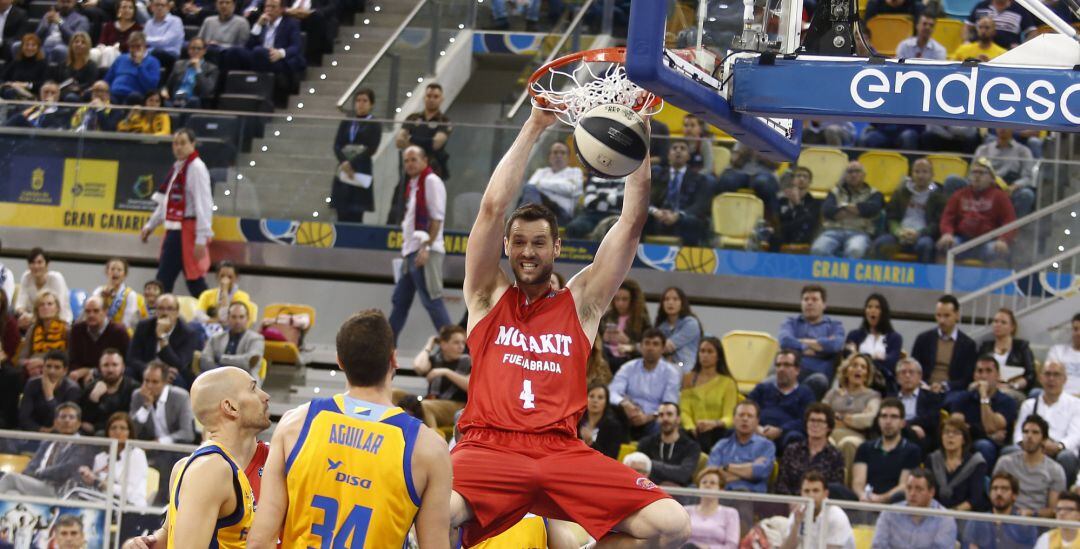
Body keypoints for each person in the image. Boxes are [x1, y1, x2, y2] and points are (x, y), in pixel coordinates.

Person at [448, 108, 690, 546]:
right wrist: (536, 124)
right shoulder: (487, 296)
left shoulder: (582, 304)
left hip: (560, 451)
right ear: (506, 245)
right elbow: (490, 209)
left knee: (671, 523)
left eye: (539, 243)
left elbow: (631, 223)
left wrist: (640, 136)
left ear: (556, 247)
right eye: (518, 242)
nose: (527, 252)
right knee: (426, 506)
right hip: (489, 449)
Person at [248, 310, 451, 548]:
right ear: (393, 360)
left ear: (340, 361)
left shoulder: (296, 423)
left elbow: (261, 540)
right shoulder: (428, 447)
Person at [133, 366, 270, 546]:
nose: (265, 396)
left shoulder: (271, 459)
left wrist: (149, 543)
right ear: (230, 407)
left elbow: (169, 533)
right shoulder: (211, 469)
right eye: (253, 388)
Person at [387, 145, 452, 342]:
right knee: (400, 301)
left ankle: (455, 351)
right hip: (411, 252)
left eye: (414, 159)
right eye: (406, 160)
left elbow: (437, 218)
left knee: (432, 300)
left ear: (425, 160)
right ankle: (386, 348)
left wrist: (426, 247)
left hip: (425, 252)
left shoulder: (431, 181)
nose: (409, 164)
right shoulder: (413, 184)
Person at [141, 129, 213, 296]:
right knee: (166, 279)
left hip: (188, 231)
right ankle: (159, 313)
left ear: (192, 144)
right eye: (176, 143)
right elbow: (167, 201)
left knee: (193, 279)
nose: (179, 147)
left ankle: (212, 314)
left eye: (183, 143)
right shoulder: (179, 167)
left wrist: (202, 238)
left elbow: (204, 204)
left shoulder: (196, 168)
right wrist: (151, 225)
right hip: (174, 230)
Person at [0, 402, 95, 497]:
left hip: (60, 490)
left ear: (78, 423)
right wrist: (29, 474)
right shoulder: (48, 442)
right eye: (63, 417)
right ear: (55, 422)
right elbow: (32, 465)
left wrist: (40, 473)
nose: (67, 420)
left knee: (10, 478)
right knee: (12, 493)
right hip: (38, 485)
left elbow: (67, 469)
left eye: (71, 417)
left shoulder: (84, 445)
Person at [1011, 361, 1080, 486]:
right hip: (1032, 448)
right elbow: (1018, 436)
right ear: (1041, 378)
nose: (1051, 379)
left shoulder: (1076, 404)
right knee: (1010, 451)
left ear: (1065, 379)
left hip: (1059, 451)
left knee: (1067, 457)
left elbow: (1075, 436)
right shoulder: (1029, 405)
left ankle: (1062, 498)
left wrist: (1058, 446)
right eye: (1047, 374)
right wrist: (1031, 444)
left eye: (1056, 375)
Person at [938, 157, 1017, 264]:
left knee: (997, 251)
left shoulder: (1000, 196)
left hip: (988, 241)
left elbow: (1010, 221)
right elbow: (947, 217)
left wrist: (1003, 240)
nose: (977, 176)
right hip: (963, 239)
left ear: (991, 178)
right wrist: (947, 233)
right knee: (944, 245)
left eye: (982, 173)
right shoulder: (959, 194)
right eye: (974, 172)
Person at [946, 354, 1018, 467]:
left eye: (989, 371)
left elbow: (990, 426)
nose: (983, 376)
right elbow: (957, 427)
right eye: (979, 371)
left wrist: (983, 396)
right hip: (967, 444)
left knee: (985, 446)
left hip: (997, 447)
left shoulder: (1007, 402)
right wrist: (986, 434)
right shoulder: (962, 398)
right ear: (974, 376)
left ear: (998, 376)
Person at [609, 328, 682, 437]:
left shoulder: (671, 372)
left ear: (662, 348)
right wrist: (624, 404)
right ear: (641, 347)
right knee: (610, 419)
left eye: (655, 344)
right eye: (647, 343)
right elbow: (612, 392)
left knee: (662, 423)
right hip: (628, 413)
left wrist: (647, 417)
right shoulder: (628, 367)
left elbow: (669, 404)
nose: (650, 348)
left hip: (654, 417)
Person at [872, 158, 947, 264]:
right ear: (911, 174)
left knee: (925, 245)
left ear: (932, 175)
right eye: (917, 171)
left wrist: (919, 233)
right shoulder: (901, 191)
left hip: (923, 236)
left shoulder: (937, 194)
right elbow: (891, 217)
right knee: (881, 243)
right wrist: (898, 232)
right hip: (900, 235)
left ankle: (922, 279)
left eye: (925, 172)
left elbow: (937, 223)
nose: (920, 176)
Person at [852, 398, 923, 503]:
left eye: (894, 417)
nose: (888, 422)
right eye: (884, 416)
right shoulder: (865, 448)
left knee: (901, 495)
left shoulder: (912, 450)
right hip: (865, 500)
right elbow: (858, 481)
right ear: (878, 420)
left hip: (894, 503)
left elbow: (904, 485)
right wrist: (862, 495)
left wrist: (881, 498)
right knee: (836, 489)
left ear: (902, 423)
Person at [778, 284, 843, 398]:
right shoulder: (791, 322)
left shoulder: (834, 326)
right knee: (767, 383)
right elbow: (785, 341)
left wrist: (799, 343)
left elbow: (835, 345)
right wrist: (813, 346)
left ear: (824, 305)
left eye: (814, 299)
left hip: (817, 376)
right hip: (791, 373)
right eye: (806, 299)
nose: (809, 303)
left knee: (819, 381)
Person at [994, 414, 1066, 517]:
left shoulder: (1055, 470)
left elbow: (1054, 510)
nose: (1029, 436)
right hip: (1007, 519)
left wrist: (1031, 513)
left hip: (1038, 523)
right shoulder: (1005, 463)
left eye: (1035, 432)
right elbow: (996, 496)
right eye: (1025, 432)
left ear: (1044, 439)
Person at [646, 140, 715, 246]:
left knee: (692, 222)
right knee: (641, 217)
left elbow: (700, 205)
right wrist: (655, 211)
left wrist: (678, 215)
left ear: (688, 156)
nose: (678, 151)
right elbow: (645, 199)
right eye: (674, 148)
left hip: (683, 218)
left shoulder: (699, 179)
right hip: (658, 216)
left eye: (682, 148)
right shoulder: (657, 175)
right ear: (668, 155)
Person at [810, 161, 885, 259]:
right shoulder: (835, 191)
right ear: (845, 175)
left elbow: (873, 209)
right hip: (833, 230)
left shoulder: (874, 193)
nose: (853, 175)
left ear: (864, 175)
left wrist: (843, 208)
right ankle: (835, 272)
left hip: (859, 232)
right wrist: (857, 211)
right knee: (818, 250)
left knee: (855, 250)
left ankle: (843, 273)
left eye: (857, 171)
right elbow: (827, 210)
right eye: (850, 172)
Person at [823, 354, 882, 473]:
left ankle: (845, 489)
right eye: (854, 365)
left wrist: (840, 417)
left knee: (847, 444)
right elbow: (822, 414)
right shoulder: (833, 393)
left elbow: (868, 420)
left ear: (867, 375)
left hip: (856, 436)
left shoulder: (872, 395)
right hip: (830, 433)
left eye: (863, 367)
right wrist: (854, 419)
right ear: (846, 371)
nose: (858, 369)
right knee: (824, 442)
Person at [910, 294, 979, 394]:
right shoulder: (923, 339)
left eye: (946, 316)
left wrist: (945, 386)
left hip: (952, 392)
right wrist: (924, 385)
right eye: (939, 315)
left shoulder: (968, 345)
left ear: (957, 315)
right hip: (924, 388)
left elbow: (967, 378)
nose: (942, 320)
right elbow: (914, 368)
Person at [330, 88, 381, 223]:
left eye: (365, 101)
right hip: (344, 168)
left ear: (371, 104)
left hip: (360, 168)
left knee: (356, 213)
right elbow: (337, 144)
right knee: (341, 210)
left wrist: (351, 162)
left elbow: (371, 148)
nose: (361, 104)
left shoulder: (374, 124)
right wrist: (344, 162)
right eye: (358, 100)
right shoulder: (347, 122)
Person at [871, 470, 958, 548]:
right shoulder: (889, 513)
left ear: (931, 492)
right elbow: (878, 545)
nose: (912, 493)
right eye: (909, 488)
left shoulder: (945, 519)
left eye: (919, 489)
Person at [749, 350, 817, 450]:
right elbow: (746, 409)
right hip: (757, 431)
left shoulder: (805, 393)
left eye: (786, 365)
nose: (781, 369)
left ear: (797, 370)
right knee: (732, 431)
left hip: (785, 435)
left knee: (795, 437)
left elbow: (805, 420)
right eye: (778, 365)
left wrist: (780, 430)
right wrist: (756, 427)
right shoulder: (761, 389)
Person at [681, 337, 739, 451]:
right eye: (702, 351)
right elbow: (684, 410)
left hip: (717, 431)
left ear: (718, 357)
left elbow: (729, 416)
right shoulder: (688, 379)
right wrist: (691, 427)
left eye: (710, 351)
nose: (705, 355)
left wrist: (713, 424)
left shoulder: (728, 383)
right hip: (693, 431)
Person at [775, 403, 846, 496]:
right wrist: (792, 502)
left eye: (820, 421)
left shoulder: (835, 455)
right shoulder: (792, 450)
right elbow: (781, 484)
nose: (815, 425)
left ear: (828, 427)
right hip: (791, 504)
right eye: (812, 420)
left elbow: (835, 489)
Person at [127, 294, 200, 385]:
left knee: (177, 378)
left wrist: (162, 337)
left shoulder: (188, 333)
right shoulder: (144, 326)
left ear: (177, 313)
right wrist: (151, 371)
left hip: (173, 372)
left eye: (170, 309)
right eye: (161, 308)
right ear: (156, 311)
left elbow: (180, 364)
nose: (165, 313)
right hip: (147, 369)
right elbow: (132, 357)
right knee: (128, 373)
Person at [78, 412, 149, 506]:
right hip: (103, 504)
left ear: (129, 433)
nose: (117, 432)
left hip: (131, 506)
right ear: (107, 432)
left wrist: (102, 484)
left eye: (123, 428)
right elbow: (95, 488)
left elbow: (130, 492)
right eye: (113, 428)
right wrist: (89, 479)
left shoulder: (137, 454)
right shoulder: (100, 458)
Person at [706, 400, 776, 493]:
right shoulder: (721, 445)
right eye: (741, 415)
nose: (745, 419)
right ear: (734, 419)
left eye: (750, 416)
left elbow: (760, 473)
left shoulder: (767, 446)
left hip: (754, 498)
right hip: (724, 496)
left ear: (757, 421)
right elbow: (712, 476)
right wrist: (750, 469)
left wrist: (726, 468)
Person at [411, 324, 471, 430]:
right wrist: (429, 345)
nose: (461, 347)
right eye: (456, 342)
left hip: (456, 406)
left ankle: (433, 440)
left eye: (463, 343)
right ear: (443, 345)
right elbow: (418, 366)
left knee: (424, 406)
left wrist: (446, 372)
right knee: (397, 394)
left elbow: (470, 385)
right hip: (432, 401)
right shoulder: (436, 360)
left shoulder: (468, 362)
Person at [926, 416, 990, 511]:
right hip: (935, 514)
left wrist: (952, 513)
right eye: (946, 432)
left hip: (965, 516)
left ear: (964, 439)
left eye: (956, 433)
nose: (950, 436)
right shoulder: (932, 459)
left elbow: (975, 499)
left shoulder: (976, 463)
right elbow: (927, 492)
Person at [962, 471, 1040, 548]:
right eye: (995, 488)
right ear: (989, 494)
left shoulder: (1025, 525)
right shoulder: (977, 522)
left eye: (1004, 489)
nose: (998, 493)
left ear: (1014, 495)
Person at [780, 471, 855, 549]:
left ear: (825, 494)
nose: (811, 495)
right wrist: (796, 524)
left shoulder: (837, 516)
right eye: (806, 491)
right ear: (801, 494)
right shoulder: (798, 513)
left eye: (815, 491)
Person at [971, 129, 1037, 217]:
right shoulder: (983, 149)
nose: (1003, 128)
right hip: (984, 187)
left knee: (1026, 194)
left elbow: (1028, 177)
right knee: (953, 180)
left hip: (1009, 189)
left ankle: (1012, 228)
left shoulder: (1024, 151)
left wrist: (1013, 187)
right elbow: (972, 172)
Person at [844, 294, 903, 392]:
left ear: (884, 312)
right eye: (869, 307)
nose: (872, 310)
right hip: (856, 383)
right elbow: (848, 359)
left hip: (882, 385)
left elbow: (891, 363)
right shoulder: (854, 335)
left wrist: (859, 355)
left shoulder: (895, 338)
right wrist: (876, 358)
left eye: (877, 307)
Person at [129, 361, 196, 443]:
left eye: (155, 382)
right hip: (148, 450)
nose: (149, 386)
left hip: (175, 449)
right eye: (146, 381)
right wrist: (145, 407)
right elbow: (132, 432)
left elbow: (187, 433)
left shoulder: (180, 397)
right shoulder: (138, 396)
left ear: (165, 382)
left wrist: (160, 442)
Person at [68, 296, 131, 384]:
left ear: (105, 311)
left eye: (96, 311)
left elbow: (127, 363)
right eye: (87, 311)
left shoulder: (119, 332)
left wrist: (92, 372)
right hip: (81, 379)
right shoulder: (77, 330)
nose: (91, 315)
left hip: (112, 379)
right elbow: (72, 361)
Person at [636, 402, 701, 487]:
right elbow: (640, 472)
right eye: (661, 415)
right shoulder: (645, 443)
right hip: (652, 489)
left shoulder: (691, 446)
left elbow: (683, 475)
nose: (665, 418)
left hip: (681, 491)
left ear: (678, 419)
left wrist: (651, 464)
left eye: (669, 414)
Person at [395, 82, 451, 180]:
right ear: (424, 97)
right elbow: (399, 141)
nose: (431, 99)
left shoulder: (444, 121)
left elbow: (435, 144)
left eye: (436, 96)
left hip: (433, 167)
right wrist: (425, 144)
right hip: (411, 167)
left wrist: (410, 138)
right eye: (429, 96)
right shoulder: (412, 117)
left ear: (441, 99)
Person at [519, 141, 584, 225]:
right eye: (555, 152)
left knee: (530, 191)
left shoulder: (575, 172)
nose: (558, 156)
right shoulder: (541, 172)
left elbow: (573, 190)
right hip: (541, 207)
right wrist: (562, 185)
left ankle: (529, 220)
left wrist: (541, 184)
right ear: (549, 157)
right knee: (529, 189)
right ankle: (532, 218)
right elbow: (530, 189)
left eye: (563, 153)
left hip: (560, 214)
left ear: (568, 158)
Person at [979, 307, 1036, 398]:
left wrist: (1013, 385)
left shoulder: (1022, 347)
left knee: (1005, 395)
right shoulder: (985, 347)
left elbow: (1030, 375)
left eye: (1003, 322)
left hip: (1012, 389)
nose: (998, 325)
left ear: (1012, 327)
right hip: (988, 387)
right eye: (996, 321)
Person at [199, 301, 265, 378]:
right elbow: (204, 360)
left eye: (241, 317)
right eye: (234, 317)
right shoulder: (216, 338)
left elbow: (249, 361)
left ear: (247, 319)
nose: (237, 321)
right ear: (228, 318)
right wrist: (222, 374)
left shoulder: (256, 339)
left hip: (245, 382)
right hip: (218, 380)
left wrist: (221, 358)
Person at [18, 350, 80, 432]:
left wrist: (49, 396)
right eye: (48, 366)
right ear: (43, 367)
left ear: (65, 371)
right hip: (33, 432)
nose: (51, 371)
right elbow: (24, 416)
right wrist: (42, 430)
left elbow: (65, 420)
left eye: (57, 367)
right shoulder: (32, 384)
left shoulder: (72, 389)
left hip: (60, 434)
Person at [79, 349, 138, 435]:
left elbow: (131, 420)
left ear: (123, 367)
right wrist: (93, 398)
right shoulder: (90, 388)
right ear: (100, 368)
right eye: (106, 365)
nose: (110, 370)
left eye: (115, 365)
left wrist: (96, 427)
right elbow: (84, 422)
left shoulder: (134, 389)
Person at [600, 278, 651, 372]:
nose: (620, 303)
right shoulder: (606, 317)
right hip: (606, 360)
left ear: (633, 300)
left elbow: (648, 347)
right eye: (617, 299)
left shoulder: (642, 320)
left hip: (629, 361)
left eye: (625, 299)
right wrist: (603, 338)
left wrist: (627, 341)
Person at [715, 142, 781, 215]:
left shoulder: (773, 138)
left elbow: (777, 165)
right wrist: (744, 153)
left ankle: (774, 217)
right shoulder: (745, 137)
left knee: (763, 183)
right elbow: (734, 161)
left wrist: (762, 155)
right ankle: (721, 213)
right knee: (727, 180)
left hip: (765, 173)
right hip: (741, 172)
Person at [895, 357, 944, 453]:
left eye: (911, 372)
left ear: (920, 377)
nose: (907, 376)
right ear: (897, 378)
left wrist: (906, 425)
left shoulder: (931, 397)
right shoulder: (891, 398)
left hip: (920, 438)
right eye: (903, 372)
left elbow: (932, 420)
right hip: (895, 432)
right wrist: (907, 427)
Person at [14, 247, 71, 327]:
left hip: (59, 322)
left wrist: (31, 318)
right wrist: (23, 315)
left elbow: (56, 310)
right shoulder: (26, 277)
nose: (36, 266)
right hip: (33, 323)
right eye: (32, 263)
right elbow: (19, 305)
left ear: (47, 265)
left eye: (40, 262)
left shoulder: (56, 278)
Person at [685, 469, 740, 548]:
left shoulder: (730, 513)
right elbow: (677, 539)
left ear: (721, 490)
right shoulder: (686, 511)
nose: (707, 485)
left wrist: (708, 548)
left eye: (712, 483)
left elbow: (732, 545)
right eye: (704, 482)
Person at [769, 166, 821, 251]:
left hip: (802, 237)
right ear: (793, 180)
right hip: (783, 236)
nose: (801, 179)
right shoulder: (783, 200)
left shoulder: (814, 202)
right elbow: (780, 220)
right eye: (798, 176)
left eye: (805, 176)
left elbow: (808, 222)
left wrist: (797, 204)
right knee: (774, 237)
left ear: (810, 182)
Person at [194, 261, 258, 329]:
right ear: (217, 277)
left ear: (236, 278)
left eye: (230, 277)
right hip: (208, 328)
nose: (225, 280)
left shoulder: (242, 296)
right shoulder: (206, 294)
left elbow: (224, 317)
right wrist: (213, 321)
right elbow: (199, 314)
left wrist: (224, 292)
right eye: (222, 276)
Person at [654, 286, 702, 374]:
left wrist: (635, 347)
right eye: (666, 299)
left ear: (682, 303)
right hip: (665, 372)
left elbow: (667, 346)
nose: (670, 303)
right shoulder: (661, 327)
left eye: (675, 299)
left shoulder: (691, 323)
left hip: (687, 372)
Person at [104, 31, 160, 103]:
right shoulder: (121, 58)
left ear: (145, 46)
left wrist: (140, 65)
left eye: (138, 46)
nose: (134, 50)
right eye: (132, 46)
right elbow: (107, 79)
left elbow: (151, 87)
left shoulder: (153, 62)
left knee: (133, 98)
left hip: (133, 96)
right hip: (113, 94)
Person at [92, 257, 147, 330]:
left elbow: (128, 322)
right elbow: (93, 315)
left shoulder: (130, 295)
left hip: (120, 333)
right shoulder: (98, 291)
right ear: (107, 272)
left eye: (119, 270)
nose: (115, 272)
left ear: (125, 274)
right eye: (112, 269)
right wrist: (103, 298)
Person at [16, 291, 69, 365]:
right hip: (33, 369)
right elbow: (21, 359)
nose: (45, 307)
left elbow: (69, 357)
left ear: (57, 308)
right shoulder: (32, 330)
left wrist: (43, 363)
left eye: (50, 304)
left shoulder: (66, 329)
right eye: (42, 304)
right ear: (37, 310)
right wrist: (29, 363)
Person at [566, 174, 626, 239]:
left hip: (614, 216)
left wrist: (601, 197)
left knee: (611, 228)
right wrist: (610, 199)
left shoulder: (626, 178)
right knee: (574, 227)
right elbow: (589, 201)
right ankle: (578, 249)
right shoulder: (595, 176)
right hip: (592, 215)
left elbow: (623, 201)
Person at [578, 383, 626, 459]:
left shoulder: (613, 427)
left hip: (600, 467)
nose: (595, 400)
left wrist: (591, 443)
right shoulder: (577, 423)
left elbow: (611, 457)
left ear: (606, 402)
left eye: (600, 397)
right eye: (591, 396)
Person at [965, 0, 1036, 49]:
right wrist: (967, 41)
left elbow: (1032, 33)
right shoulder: (981, 6)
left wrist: (1020, 48)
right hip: (980, 48)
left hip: (1007, 52)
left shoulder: (1020, 10)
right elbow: (967, 27)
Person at [46, 31, 95, 100]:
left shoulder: (91, 65)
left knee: (71, 97)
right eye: (76, 42)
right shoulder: (63, 65)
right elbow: (56, 81)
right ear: (71, 45)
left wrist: (78, 88)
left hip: (81, 96)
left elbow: (91, 84)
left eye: (83, 42)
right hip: (62, 93)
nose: (79, 44)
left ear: (88, 46)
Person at [4, 79, 68, 128]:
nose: (49, 95)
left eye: (53, 93)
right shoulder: (29, 108)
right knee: (19, 117)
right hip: (23, 138)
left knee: (20, 118)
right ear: (40, 93)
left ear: (58, 95)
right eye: (46, 92)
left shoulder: (62, 112)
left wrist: (47, 107)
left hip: (43, 138)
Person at [1, 33, 47, 99]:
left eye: (33, 45)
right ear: (22, 47)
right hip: (12, 92)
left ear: (38, 48)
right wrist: (8, 84)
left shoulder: (43, 64)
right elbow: (3, 77)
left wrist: (26, 85)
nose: (29, 48)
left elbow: (44, 84)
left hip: (32, 96)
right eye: (27, 45)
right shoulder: (16, 62)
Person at [142, 0, 182, 69]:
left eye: (163, 5)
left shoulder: (175, 21)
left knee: (153, 54)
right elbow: (144, 42)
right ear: (151, 7)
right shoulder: (149, 23)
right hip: (150, 53)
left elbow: (164, 42)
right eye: (157, 5)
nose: (160, 8)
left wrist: (145, 39)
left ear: (168, 7)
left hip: (170, 56)